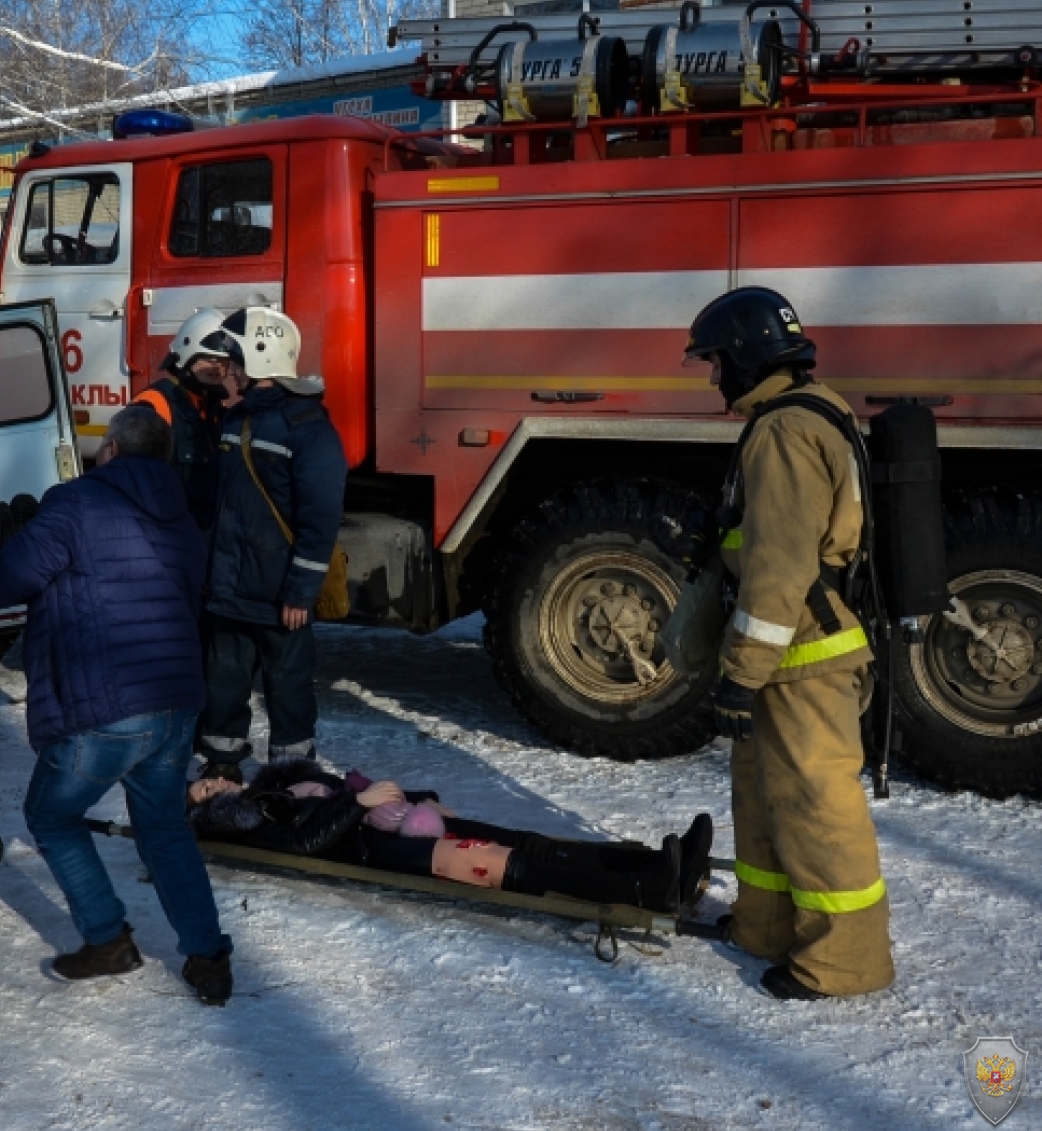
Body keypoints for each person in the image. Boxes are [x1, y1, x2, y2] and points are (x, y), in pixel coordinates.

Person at [0, 407, 235, 1006]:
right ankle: (208, 956)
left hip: (108, 704)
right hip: (174, 701)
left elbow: (18, 569)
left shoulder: (77, 504)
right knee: (164, 828)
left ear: (113, 450)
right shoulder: (183, 516)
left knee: (51, 815)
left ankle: (107, 939)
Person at [685, 286, 895, 1001]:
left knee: (814, 806)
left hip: (803, 655)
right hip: (795, 653)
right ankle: (766, 927)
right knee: (764, 796)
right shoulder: (816, 410)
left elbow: (778, 568)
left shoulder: (781, 433)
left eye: (717, 362)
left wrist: (740, 674)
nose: (714, 379)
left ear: (746, 355)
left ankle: (844, 964)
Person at [188, 759, 714, 914]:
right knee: (512, 865)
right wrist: (357, 804)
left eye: (208, 778)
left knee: (523, 840)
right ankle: (646, 891)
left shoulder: (275, 782)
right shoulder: (247, 819)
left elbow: (359, 791)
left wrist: (420, 794)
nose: (211, 784)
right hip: (387, 849)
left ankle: (649, 864)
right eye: (202, 792)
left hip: (409, 819)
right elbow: (304, 844)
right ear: (212, 808)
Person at [196, 307, 347, 781]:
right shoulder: (235, 420)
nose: (231, 370)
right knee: (222, 686)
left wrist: (301, 590)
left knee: (289, 688)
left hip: (280, 596)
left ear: (259, 358)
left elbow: (320, 520)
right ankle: (221, 770)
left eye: (236, 359)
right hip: (229, 593)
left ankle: (292, 778)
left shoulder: (308, 429)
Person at [134, 307, 234, 532]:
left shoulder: (217, 410)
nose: (218, 367)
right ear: (186, 356)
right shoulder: (155, 403)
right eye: (209, 358)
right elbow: (130, 478)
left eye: (224, 361)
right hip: (165, 533)